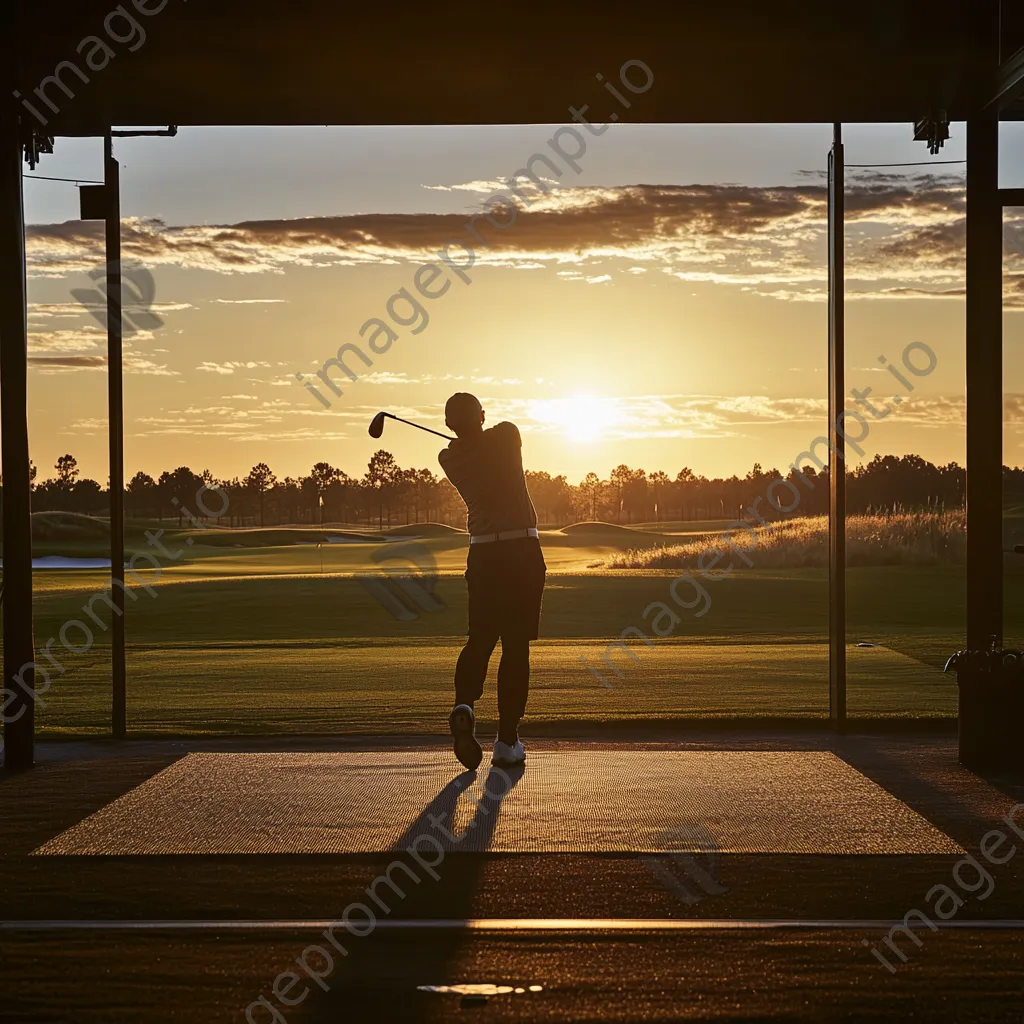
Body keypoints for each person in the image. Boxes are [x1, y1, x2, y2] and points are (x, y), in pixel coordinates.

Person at [438, 393, 546, 769]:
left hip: (482, 555)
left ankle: (464, 703)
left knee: (480, 639)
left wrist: (461, 435)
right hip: (521, 551)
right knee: (515, 648)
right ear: (481, 416)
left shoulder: (449, 457)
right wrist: (470, 431)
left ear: (450, 425)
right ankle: (507, 742)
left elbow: (467, 441)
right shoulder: (506, 435)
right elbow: (499, 432)